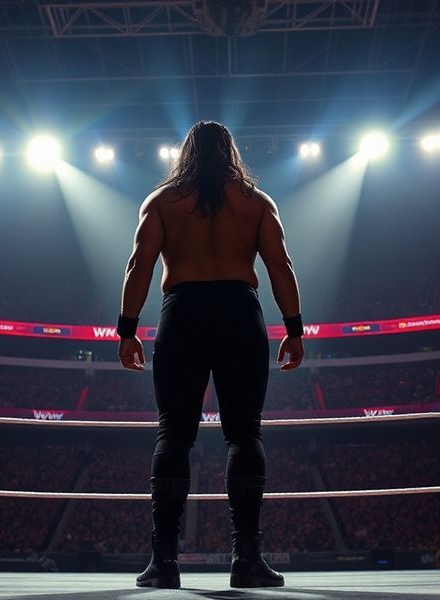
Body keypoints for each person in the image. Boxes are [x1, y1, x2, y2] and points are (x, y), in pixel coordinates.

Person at [117, 121, 303, 589]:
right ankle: (248, 559)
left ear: (185, 153)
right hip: (240, 312)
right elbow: (282, 266)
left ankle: (164, 563)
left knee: (174, 434)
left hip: (184, 313)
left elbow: (139, 265)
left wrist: (127, 330)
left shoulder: (162, 203)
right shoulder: (256, 203)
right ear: (232, 153)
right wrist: (295, 329)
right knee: (244, 434)